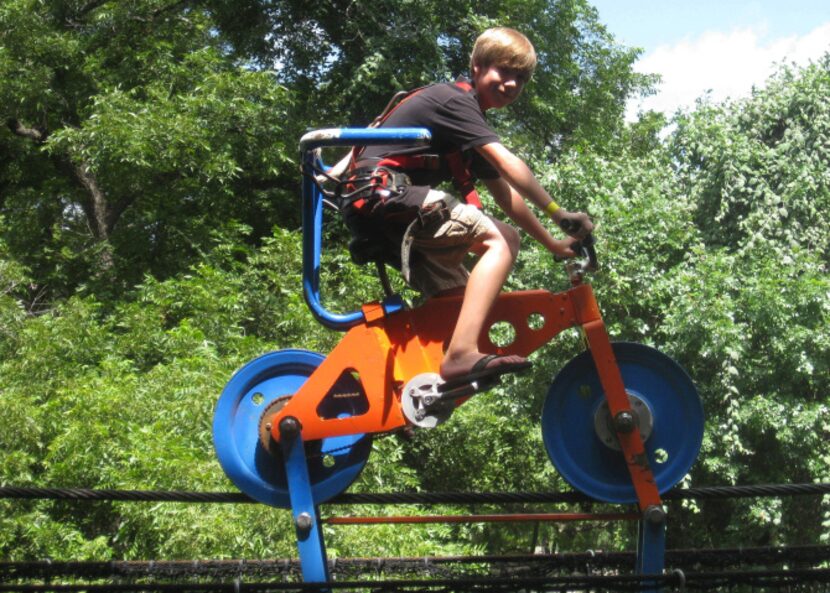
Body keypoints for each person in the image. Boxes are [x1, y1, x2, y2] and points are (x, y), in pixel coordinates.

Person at [338, 27, 593, 385]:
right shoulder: (455, 101)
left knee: (458, 306)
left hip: (386, 210)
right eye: (503, 71)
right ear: (476, 66)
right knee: (503, 240)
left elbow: (506, 196)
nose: (511, 84)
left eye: (520, 78)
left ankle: (417, 389)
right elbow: (508, 164)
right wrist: (559, 213)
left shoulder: (468, 124)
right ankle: (460, 355)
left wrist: (552, 243)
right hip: (382, 195)